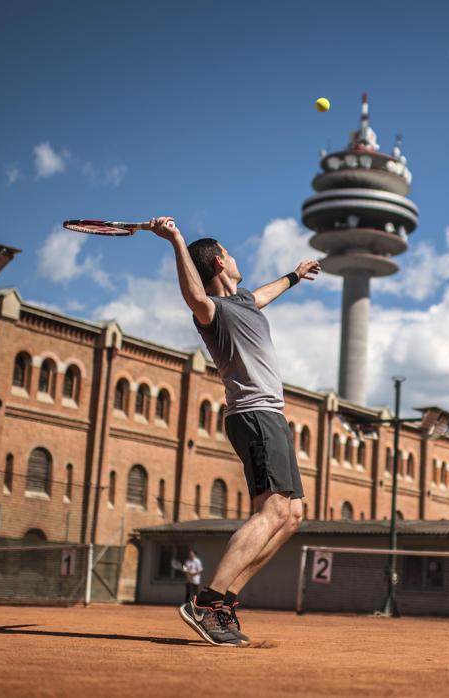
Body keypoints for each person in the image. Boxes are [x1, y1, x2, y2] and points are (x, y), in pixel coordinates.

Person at [150, 216, 319, 647]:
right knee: (275, 511)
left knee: (293, 516)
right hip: (253, 414)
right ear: (220, 260)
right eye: (230, 250)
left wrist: (294, 277)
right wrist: (177, 241)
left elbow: (265, 293)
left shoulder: (244, 301)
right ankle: (204, 602)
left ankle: (224, 602)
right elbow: (193, 294)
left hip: (271, 417)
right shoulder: (213, 311)